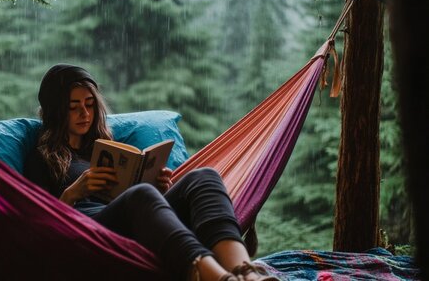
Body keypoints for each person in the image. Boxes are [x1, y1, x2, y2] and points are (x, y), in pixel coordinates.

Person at [24, 64, 278, 281]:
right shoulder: (41, 158)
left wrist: (158, 190)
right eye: (73, 106)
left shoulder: (106, 149)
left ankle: (246, 271)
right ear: (56, 111)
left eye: (90, 104)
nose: (85, 113)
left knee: (204, 176)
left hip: (139, 222)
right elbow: (37, 227)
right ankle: (218, 277)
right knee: (141, 195)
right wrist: (73, 193)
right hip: (94, 234)